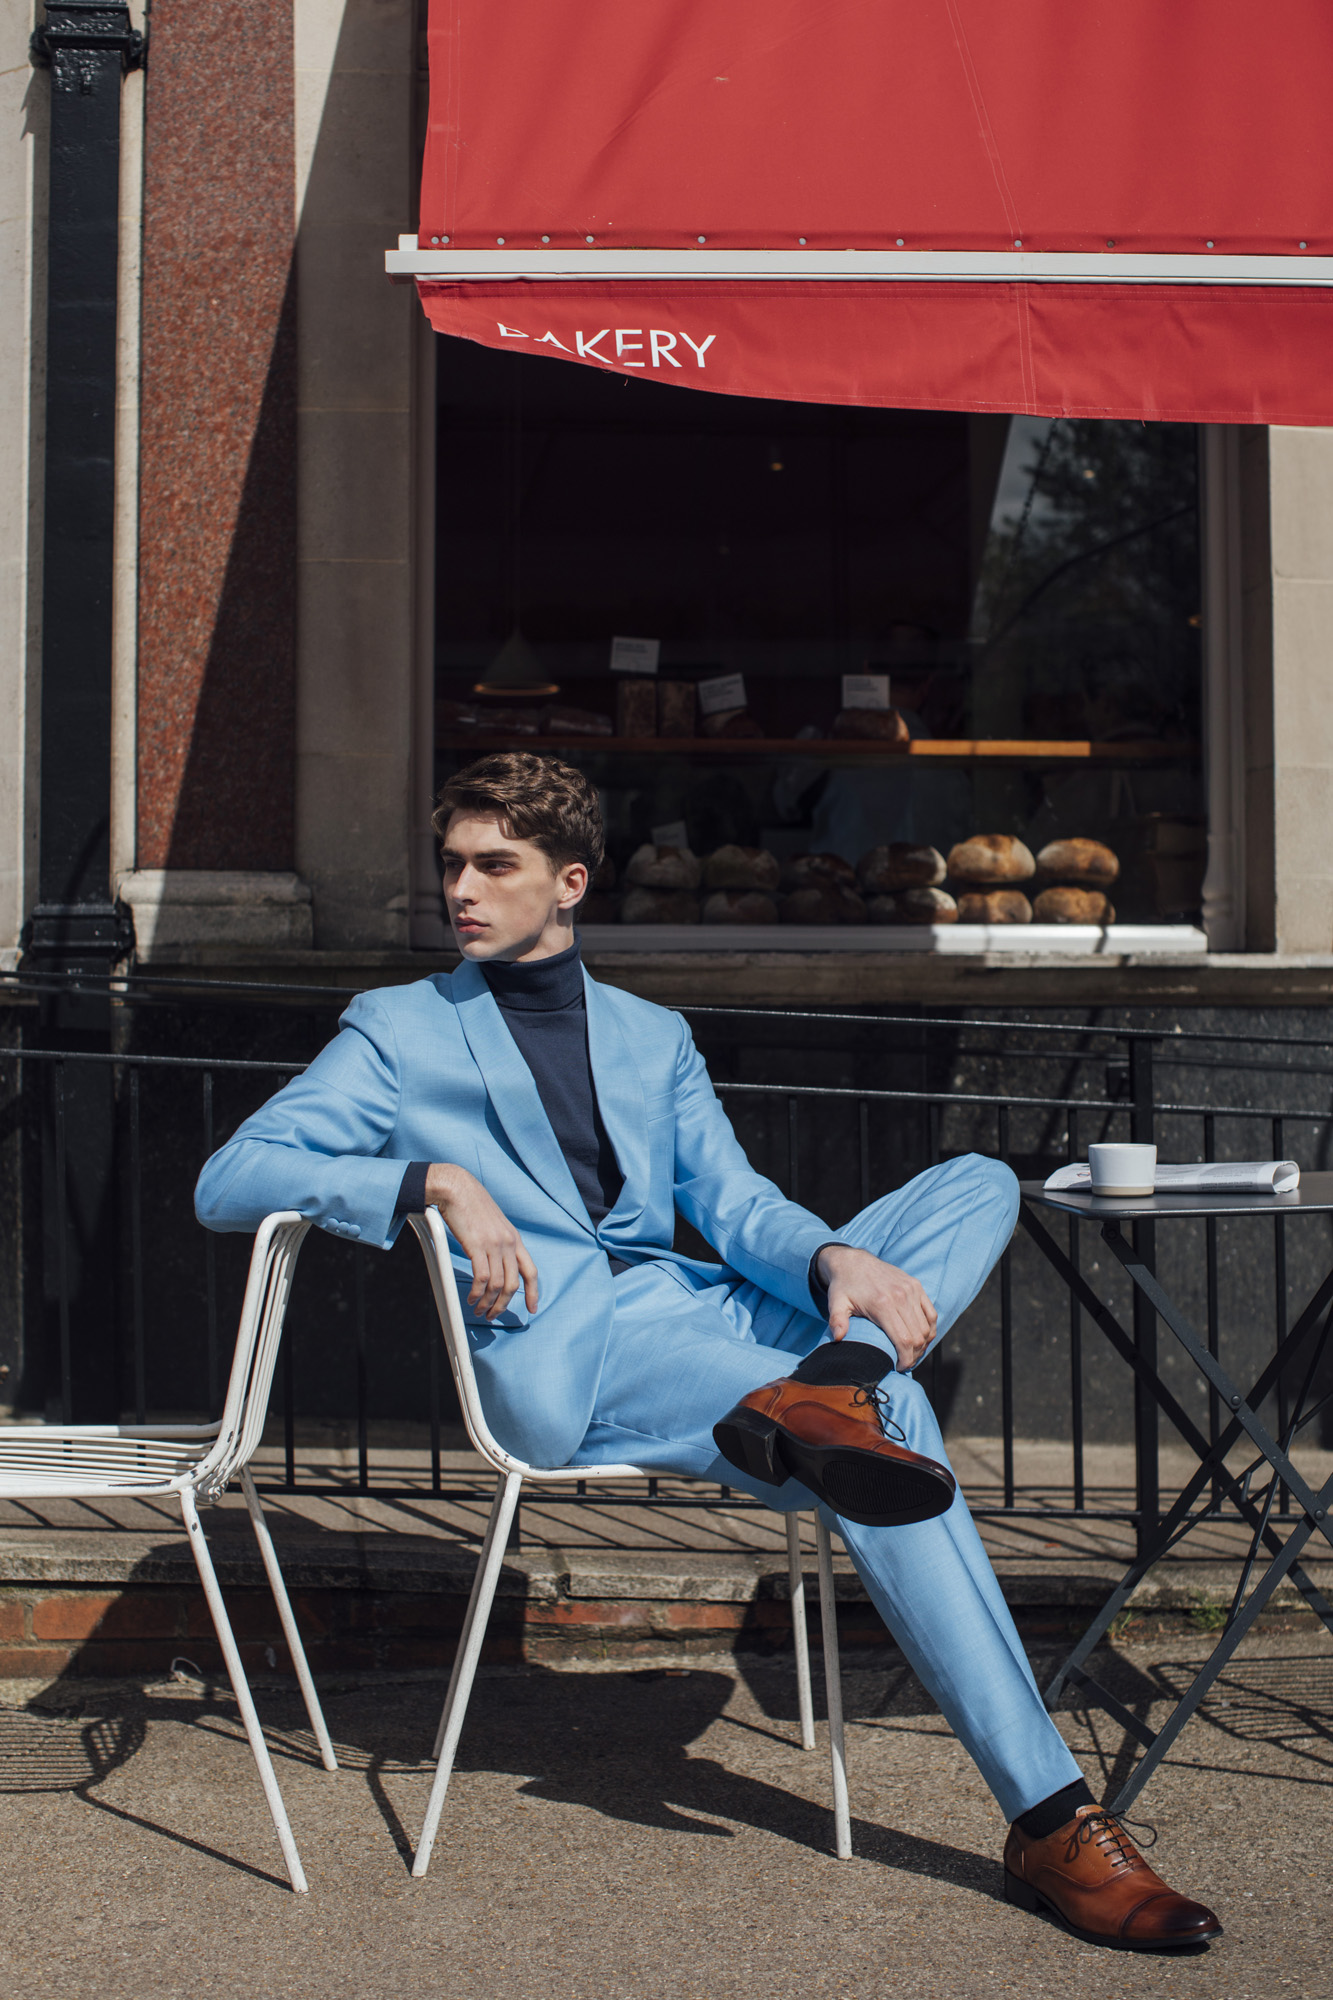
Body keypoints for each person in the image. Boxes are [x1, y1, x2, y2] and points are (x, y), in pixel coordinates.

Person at [195, 752, 1220, 1953]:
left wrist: (831, 1258)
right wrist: (432, 1179)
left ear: (568, 880)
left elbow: (734, 1205)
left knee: (978, 1180)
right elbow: (232, 1175)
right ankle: (1053, 1818)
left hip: (707, 1310)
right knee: (900, 1426)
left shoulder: (652, 1035)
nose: (459, 889)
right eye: (452, 863)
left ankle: (831, 1382)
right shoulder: (399, 1029)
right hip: (578, 1351)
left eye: (494, 865)